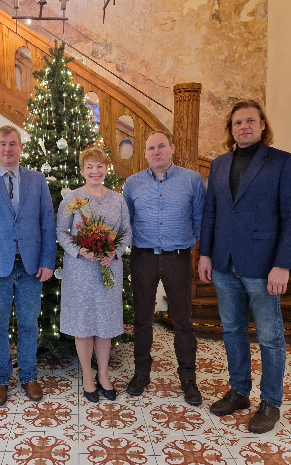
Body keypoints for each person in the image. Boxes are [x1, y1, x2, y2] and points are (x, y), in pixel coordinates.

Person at [198, 100, 291, 433]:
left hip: (263, 266)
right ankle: (239, 391)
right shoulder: (219, 165)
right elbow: (211, 213)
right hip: (224, 263)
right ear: (230, 130)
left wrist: (283, 264)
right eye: (237, 123)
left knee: (270, 338)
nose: (243, 126)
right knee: (232, 331)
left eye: (250, 121)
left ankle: (271, 402)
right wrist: (205, 254)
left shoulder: (283, 162)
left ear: (262, 125)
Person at [0, 125, 57, 405]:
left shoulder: (37, 179)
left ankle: (29, 375)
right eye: (3, 144)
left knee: (29, 324)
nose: (8, 148)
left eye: (13, 143)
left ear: (21, 147)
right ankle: (1, 378)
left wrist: (48, 260)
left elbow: (47, 222)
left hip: (31, 266)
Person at [122, 131, 206, 406]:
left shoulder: (192, 180)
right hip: (143, 257)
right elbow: (127, 220)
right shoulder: (132, 184)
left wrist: (188, 244)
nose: (156, 152)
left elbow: (200, 219)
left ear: (172, 148)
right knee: (142, 318)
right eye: (151, 148)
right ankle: (141, 373)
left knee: (183, 320)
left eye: (161, 146)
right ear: (145, 153)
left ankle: (188, 378)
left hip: (177, 258)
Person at [57, 147, 132, 402]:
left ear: (106, 169)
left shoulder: (117, 199)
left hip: (109, 268)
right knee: (84, 324)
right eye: (89, 167)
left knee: (105, 324)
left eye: (99, 166)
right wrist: (81, 251)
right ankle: (87, 376)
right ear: (82, 170)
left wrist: (115, 252)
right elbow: (61, 232)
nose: (95, 171)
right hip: (80, 270)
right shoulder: (72, 198)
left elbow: (126, 231)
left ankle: (103, 374)